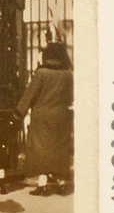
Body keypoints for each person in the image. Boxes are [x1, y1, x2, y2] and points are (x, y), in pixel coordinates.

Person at [16, 41, 74, 195]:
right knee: (60, 150)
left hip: (42, 116)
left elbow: (30, 94)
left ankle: (43, 185)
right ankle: (62, 183)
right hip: (62, 115)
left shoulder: (42, 73)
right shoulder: (69, 74)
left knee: (41, 150)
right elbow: (72, 96)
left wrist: (19, 112)